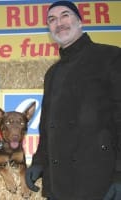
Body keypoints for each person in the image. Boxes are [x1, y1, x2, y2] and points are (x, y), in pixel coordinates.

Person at [25, 1, 121, 200]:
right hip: (60, 185)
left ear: (80, 22)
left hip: (99, 180)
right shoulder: (52, 73)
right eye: (52, 20)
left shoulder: (111, 56)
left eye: (65, 15)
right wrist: (39, 162)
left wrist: (119, 176)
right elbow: (46, 126)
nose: (59, 23)